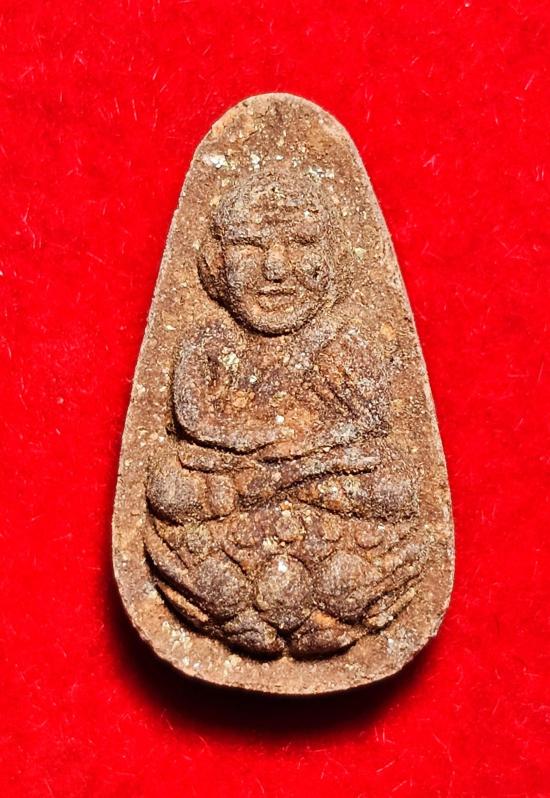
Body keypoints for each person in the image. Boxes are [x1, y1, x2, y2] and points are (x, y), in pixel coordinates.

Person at [145, 172, 422, 658]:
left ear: (333, 260)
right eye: (250, 247)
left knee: (394, 487)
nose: (275, 268)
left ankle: (309, 595)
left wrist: (291, 465)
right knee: (170, 485)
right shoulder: (208, 342)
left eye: (301, 245)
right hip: (231, 474)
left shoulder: (343, 343)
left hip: (317, 477)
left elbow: (370, 424)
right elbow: (193, 422)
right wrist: (260, 445)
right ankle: (274, 598)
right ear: (216, 262)